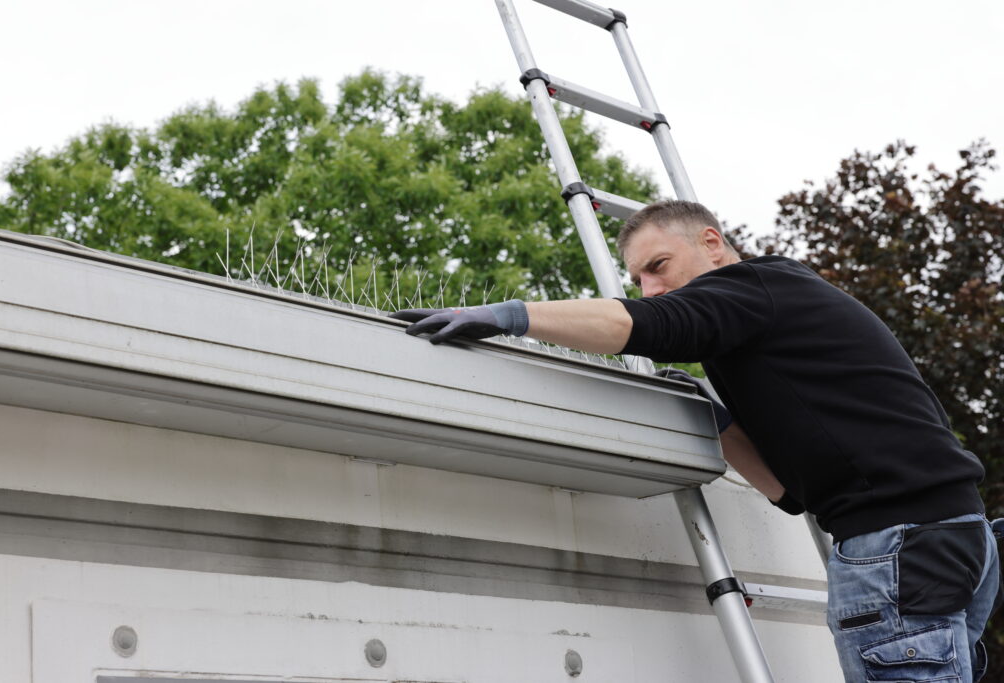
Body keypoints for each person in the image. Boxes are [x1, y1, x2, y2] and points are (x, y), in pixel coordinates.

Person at [392, 199, 1001, 682]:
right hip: (948, 539)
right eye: (637, 277)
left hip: (897, 549)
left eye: (657, 267)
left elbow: (644, 324)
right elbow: (788, 493)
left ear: (712, 243)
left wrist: (509, 316)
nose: (651, 288)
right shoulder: (766, 336)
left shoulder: (756, 289)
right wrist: (714, 418)